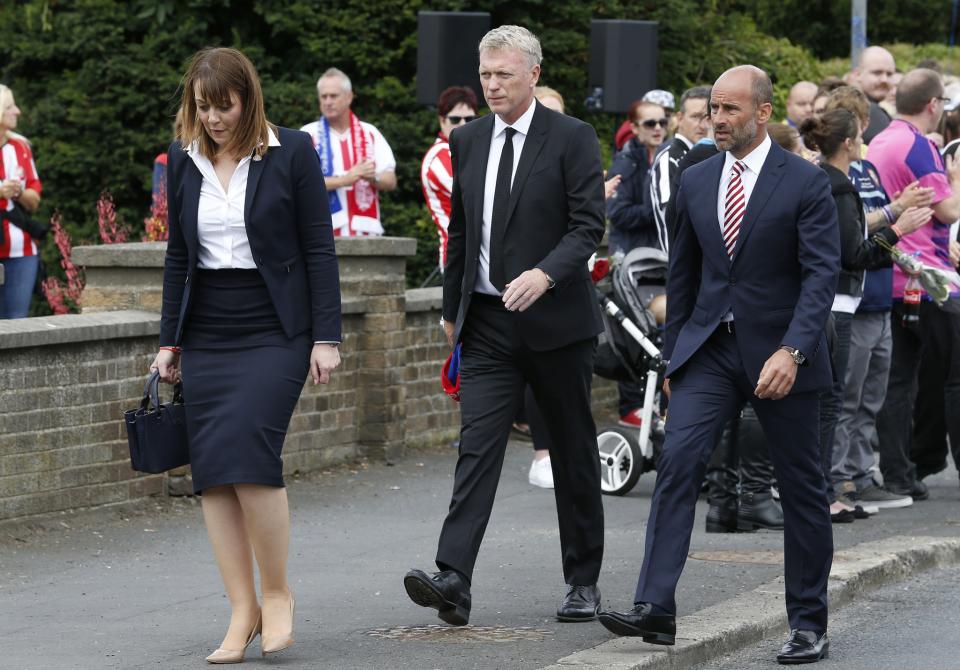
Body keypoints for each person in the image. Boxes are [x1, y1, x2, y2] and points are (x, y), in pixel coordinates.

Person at [599, 65, 840, 665]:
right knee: (677, 464)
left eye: (731, 109)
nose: (718, 120)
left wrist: (795, 350)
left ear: (763, 112)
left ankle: (808, 622)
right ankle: (655, 607)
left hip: (783, 355)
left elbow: (820, 278)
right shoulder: (697, 179)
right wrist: (676, 357)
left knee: (802, 488)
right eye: (712, 110)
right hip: (708, 352)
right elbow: (683, 277)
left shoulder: (805, 183)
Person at [403, 25, 606, 626]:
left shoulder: (571, 137)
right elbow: (461, 233)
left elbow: (586, 226)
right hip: (488, 324)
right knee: (478, 448)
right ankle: (453, 578)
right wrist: (450, 309)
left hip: (557, 324)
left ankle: (583, 581)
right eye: (486, 75)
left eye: (504, 76)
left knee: (572, 454)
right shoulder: (466, 143)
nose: (492, 86)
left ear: (533, 75)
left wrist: (545, 275)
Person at [152, 47, 342, 663]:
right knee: (212, 474)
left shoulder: (293, 153)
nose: (212, 118)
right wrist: (168, 342)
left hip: (275, 329)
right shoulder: (184, 161)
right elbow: (178, 258)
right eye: (202, 107)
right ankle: (242, 609)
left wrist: (326, 337)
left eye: (223, 105)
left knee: (252, 457)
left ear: (248, 97)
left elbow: (319, 248)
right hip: (207, 331)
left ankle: (278, 592)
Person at [801, 108, 929, 521]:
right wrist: (898, 227)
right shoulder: (837, 187)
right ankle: (822, 493)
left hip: (835, 303)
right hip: (835, 305)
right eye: (861, 136)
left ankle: (821, 490)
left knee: (833, 399)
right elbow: (851, 254)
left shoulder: (828, 181)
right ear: (850, 143)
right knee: (831, 400)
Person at [867, 68, 960, 499]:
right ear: (933, 105)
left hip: (894, 272)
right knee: (950, 376)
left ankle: (903, 471)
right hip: (929, 277)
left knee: (900, 380)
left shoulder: (883, 138)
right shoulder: (918, 144)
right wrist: (957, 177)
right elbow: (948, 211)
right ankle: (917, 463)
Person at [300, 68, 396, 237]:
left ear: (349, 97)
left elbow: (391, 181)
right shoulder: (307, 135)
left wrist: (372, 177)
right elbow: (298, 185)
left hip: (366, 233)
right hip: (322, 234)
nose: (328, 101)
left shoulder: (370, 132)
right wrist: (344, 180)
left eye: (334, 96)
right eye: (324, 96)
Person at [421, 86, 478, 272]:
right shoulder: (439, 155)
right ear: (442, 120)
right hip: (458, 258)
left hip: (475, 257)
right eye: (455, 119)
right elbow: (477, 195)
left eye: (469, 119)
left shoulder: (468, 152)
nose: (463, 124)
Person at [649, 86, 711, 254]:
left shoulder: (715, 154)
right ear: (680, 118)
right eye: (696, 117)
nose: (704, 125)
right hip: (682, 263)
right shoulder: (668, 157)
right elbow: (668, 219)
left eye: (709, 117)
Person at [0, 84, 43, 319]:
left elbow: (34, 201)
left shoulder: (20, 147)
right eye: (9, 107)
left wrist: (17, 192)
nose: (17, 111)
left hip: (20, 251)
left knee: (16, 325)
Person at [853, 46, 896, 144]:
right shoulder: (870, 111)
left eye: (889, 74)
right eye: (877, 73)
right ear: (857, 74)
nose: (884, 79)